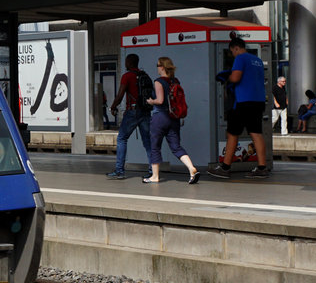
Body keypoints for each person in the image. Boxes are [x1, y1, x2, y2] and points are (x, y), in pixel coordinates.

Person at [208, 36, 269, 179]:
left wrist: (226, 78)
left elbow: (236, 77)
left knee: (232, 133)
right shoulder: (257, 60)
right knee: (256, 133)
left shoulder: (240, 58)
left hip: (243, 101)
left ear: (236, 48)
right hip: (258, 100)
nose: (233, 54)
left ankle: (225, 168)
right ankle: (262, 167)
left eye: (232, 51)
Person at [141, 56, 199, 184]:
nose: (157, 68)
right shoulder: (175, 81)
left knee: (155, 146)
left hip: (160, 117)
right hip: (174, 118)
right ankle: (191, 168)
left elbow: (160, 100)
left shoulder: (158, 81)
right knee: (176, 146)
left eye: (157, 65)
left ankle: (155, 176)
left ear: (162, 67)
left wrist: (151, 101)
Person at [106, 53, 152, 179]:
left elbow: (120, 95)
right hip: (145, 112)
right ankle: (153, 171)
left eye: (126, 61)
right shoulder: (145, 75)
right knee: (148, 142)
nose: (125, 64)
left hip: (132, 112)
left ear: (129, 63)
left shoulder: (127, 76)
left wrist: (113, 107)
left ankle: (119, 171)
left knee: (122, 138)